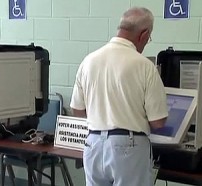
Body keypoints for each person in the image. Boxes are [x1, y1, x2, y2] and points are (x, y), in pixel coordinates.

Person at [70, 6, 168, 186]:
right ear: (144, 35)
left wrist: (102, 118)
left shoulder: (89, 61)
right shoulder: (144, 66)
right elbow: (158, 122)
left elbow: (77, 110)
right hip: (128, 147)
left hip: (93, 144)